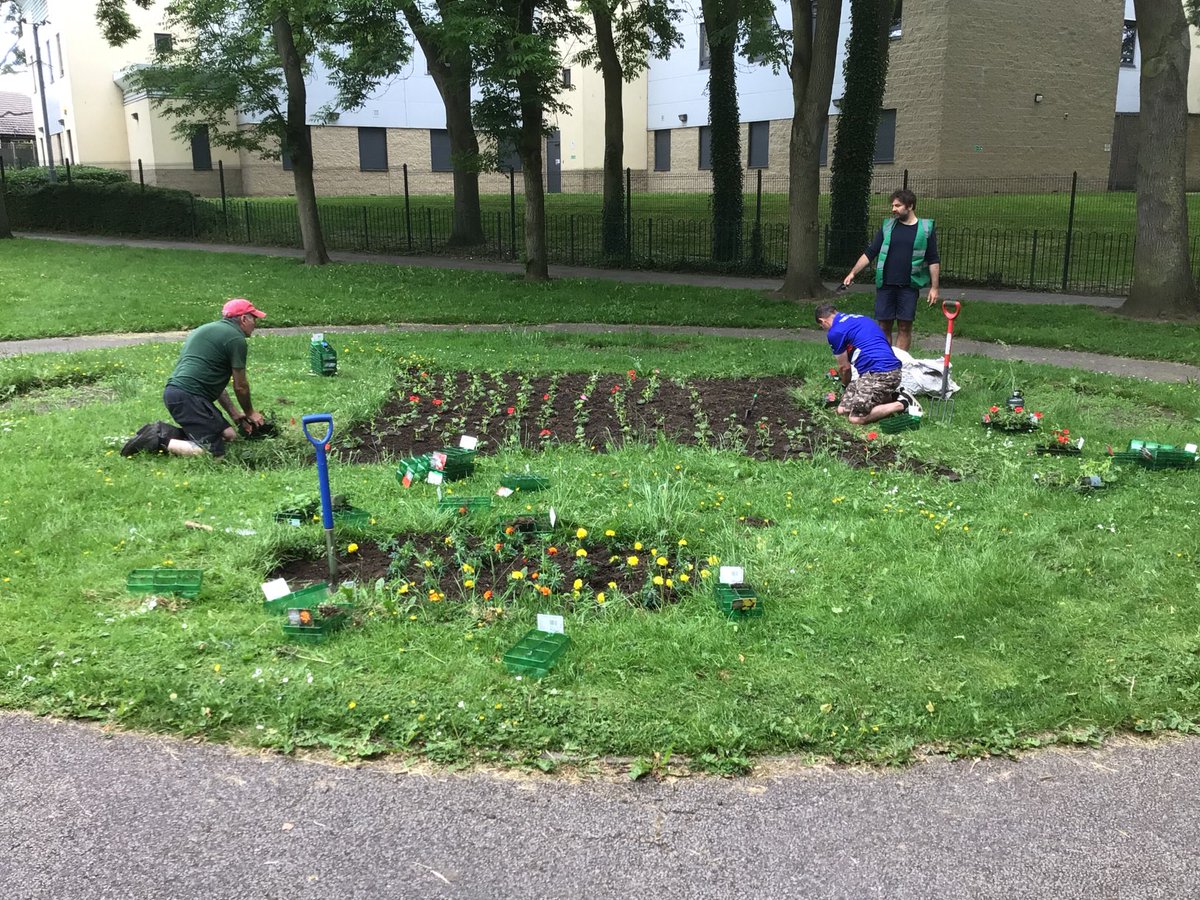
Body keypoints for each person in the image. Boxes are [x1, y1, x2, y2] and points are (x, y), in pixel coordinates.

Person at [121, 298, 267, 458]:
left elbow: (211, 382)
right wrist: (250, 412)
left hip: (179, 393)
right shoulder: (236, 339)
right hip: (188, 397)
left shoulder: (205, 330)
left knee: (229, 435)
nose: (256, 324)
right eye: (254, 319)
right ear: (243, 319)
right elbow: (241, 386)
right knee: (212, 454)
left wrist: (234, 414)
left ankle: (164, 432)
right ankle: (156, 438)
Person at [841, 188, 940, 352]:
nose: (893, 209)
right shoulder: (888, 227)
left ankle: (900, 364)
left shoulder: (925, 228)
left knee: (904, 327)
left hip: (909, 286)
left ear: (910, 206)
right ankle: (885, 363)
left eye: (898, 205)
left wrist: (934, 287)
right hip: (885, 285)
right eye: (893, 205)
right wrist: (853, 273)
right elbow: (871, 252)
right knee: (883, 326)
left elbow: (933, 259)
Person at [815, 303, 915, 425]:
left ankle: (904, 403)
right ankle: (893, 396)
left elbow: (844, 368)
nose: (825, 330)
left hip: (881, 373)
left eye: (822, 327)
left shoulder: (835, 332)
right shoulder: (861, 318)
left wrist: (844, 387)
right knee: (842, 410)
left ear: (823, 321)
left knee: (856, 418)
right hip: (873, 373)